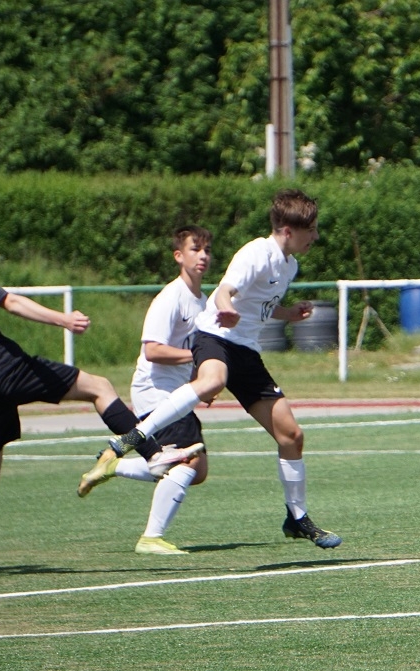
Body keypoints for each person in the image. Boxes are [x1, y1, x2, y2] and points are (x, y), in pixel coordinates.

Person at [0, 209, 185, 578]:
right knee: (99, 387)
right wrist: (63, 320)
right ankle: (153, 454)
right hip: (4, 368)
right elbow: (11, 302)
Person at [106, 189, 342, 548]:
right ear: (288, 230)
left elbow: (260, 306)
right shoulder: (255, 253)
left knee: (292, 436)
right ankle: (137, 435)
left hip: (246, 352)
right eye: (311, 230)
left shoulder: (289, 265)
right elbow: (225, 292)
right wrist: (226, 307)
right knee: (212, 380)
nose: (316, 236)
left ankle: (297, 518)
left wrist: (288, 314)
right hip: (215, 336)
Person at [77, 226, 212, 555]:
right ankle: (151, 537)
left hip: (177, 391)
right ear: (178, 256)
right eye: (195, 249)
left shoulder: (202, 300)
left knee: (197, 470)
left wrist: (203, 379)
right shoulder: (171, 297)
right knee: (187, 460)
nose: (203, 256)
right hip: (157, 391)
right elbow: (153, 350)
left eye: (207, 250)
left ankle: (113, 466)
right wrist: (196, 358)